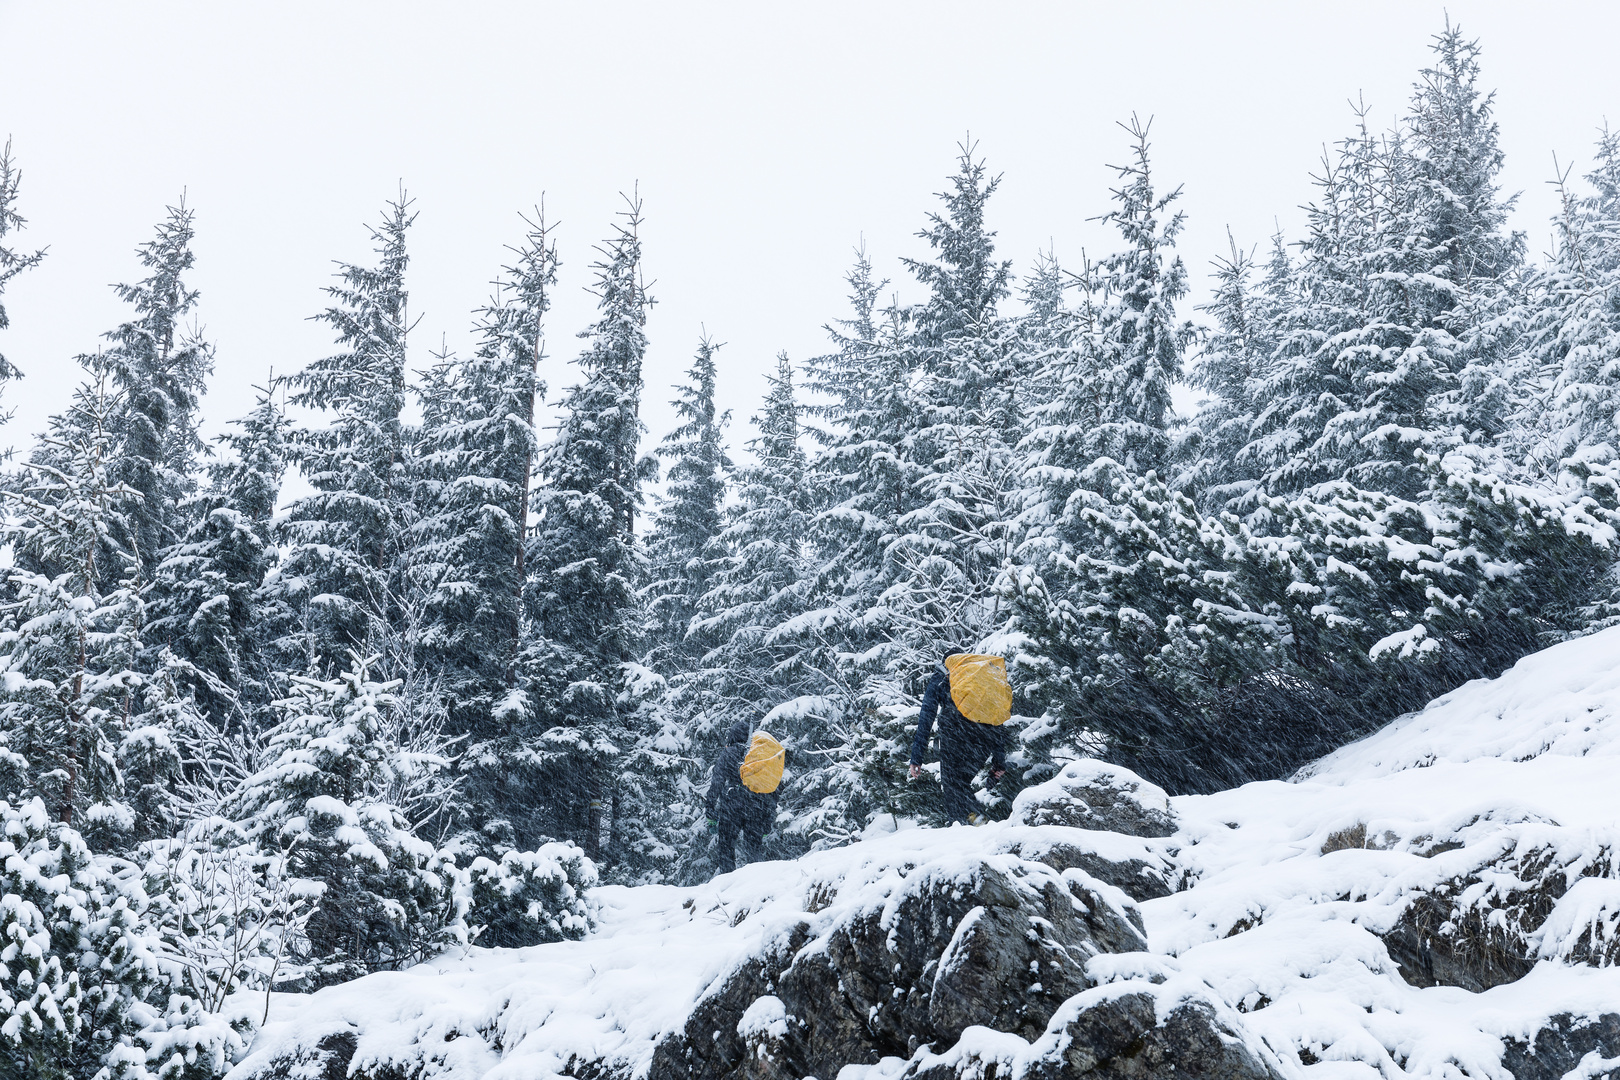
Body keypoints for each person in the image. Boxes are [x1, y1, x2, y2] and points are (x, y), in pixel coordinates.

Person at [908, 649, 1007, 825]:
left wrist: (917, 757)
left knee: (952, 787)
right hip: (984, 737)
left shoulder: (942, 678)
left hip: (955, 734)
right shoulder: (981, 681)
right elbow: (997, 718)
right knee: (960, 784)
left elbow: (926, 717)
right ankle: (974, 823)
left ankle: (969, 826)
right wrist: (999, 761)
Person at [705, 720, 779, 874]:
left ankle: (728, 880)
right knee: (753, 848)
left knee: (726, 846)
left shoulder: (729, 753)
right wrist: (768, 816)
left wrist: (710, 806)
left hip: (732, 804)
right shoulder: (758, 754)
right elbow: (771, 786)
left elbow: (717, 782)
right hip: (756, 805)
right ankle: (755, 881)